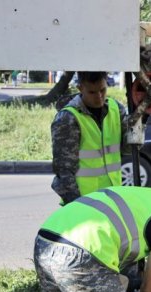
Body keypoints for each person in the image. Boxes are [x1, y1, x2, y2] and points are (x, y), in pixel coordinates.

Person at [51, 71, 128, 205]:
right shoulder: (68, 118)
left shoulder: (116, 109)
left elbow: (129, 148)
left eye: (103, 90)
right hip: (84, 203)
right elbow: (64, 171)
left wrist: (140, 121)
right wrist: (78, 206)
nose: (99, 97)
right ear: (80, 88)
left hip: (113, 200)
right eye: (92, 92)